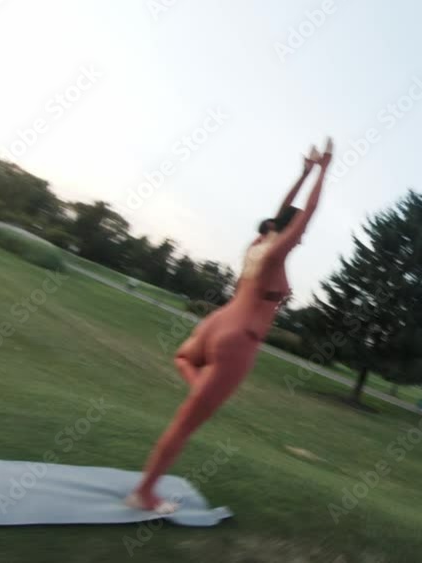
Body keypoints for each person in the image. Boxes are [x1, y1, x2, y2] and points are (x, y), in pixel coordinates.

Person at [126, 138, 335, 513]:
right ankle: (145, 492)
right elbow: (306, 214)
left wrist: (303, 173)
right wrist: (323, 170)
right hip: (238, 340)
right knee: (186, 424)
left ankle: (198, 388)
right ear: (291, 233)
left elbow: (283, 212)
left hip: (216, 324)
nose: (301, 237)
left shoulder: (259, 243)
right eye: (298, 233)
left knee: (184, 358)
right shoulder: (275, 253)